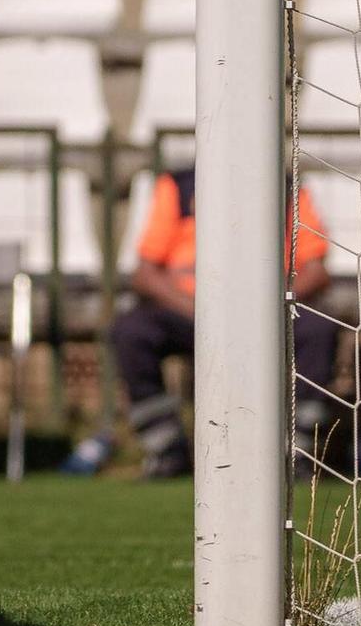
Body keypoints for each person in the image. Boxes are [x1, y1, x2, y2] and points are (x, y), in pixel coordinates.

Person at [87, 168, 341, 478]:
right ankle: (166, 447)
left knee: (318, 328)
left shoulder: (285, 185)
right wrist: (201, 311)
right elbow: (145, 273)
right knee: (131, 331)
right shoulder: (178, 186)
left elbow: (316, 270)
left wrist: (266, 306)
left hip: (265, 312)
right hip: (188, 310)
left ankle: (298, 450)